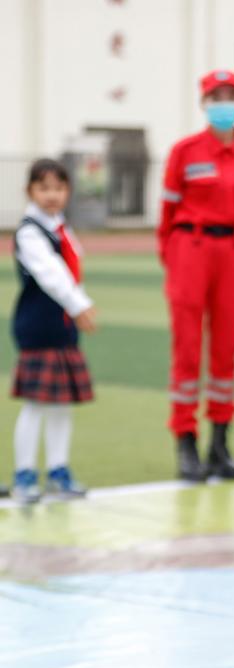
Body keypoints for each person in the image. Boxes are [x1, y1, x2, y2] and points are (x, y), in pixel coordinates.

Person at [158, 69, 234, 482]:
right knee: (187, 348)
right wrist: (171, 255)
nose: (224, 102)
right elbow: (167, 211)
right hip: (191, 247)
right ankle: (185, 441)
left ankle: (219, 443)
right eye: (216, 95)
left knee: (226, 348)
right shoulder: (184, 152)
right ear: (204, 103)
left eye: (231, 95)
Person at [10, 159, 97, 503]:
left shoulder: (62, 227)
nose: (52, 195)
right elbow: (51, 274)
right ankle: (25, 475)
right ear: (30, 191)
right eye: (43, 188)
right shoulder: (30, 231)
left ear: (68, 192)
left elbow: (71, 270)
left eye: (58, 188)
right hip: (38, 326)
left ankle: (58, 471)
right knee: (36, 403)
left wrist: (76, 307)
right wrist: (80, 305)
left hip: (63, 327)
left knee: (62, 405)